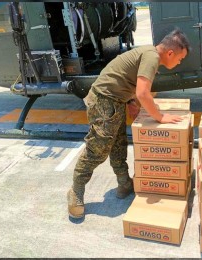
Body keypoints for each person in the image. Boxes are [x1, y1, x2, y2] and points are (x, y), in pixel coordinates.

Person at [67, 29, 190, 219]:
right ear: (170, 53)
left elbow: (125, 78)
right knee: (97, 150)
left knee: (118, 145)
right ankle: (76, 190)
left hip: (115, 101)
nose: (179, 63)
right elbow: (143, 93)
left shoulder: (150, 54)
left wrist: (131, 102)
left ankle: (124, 183)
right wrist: (160, 117)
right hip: (103, 101)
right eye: (180, 59)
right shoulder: (152, 57)